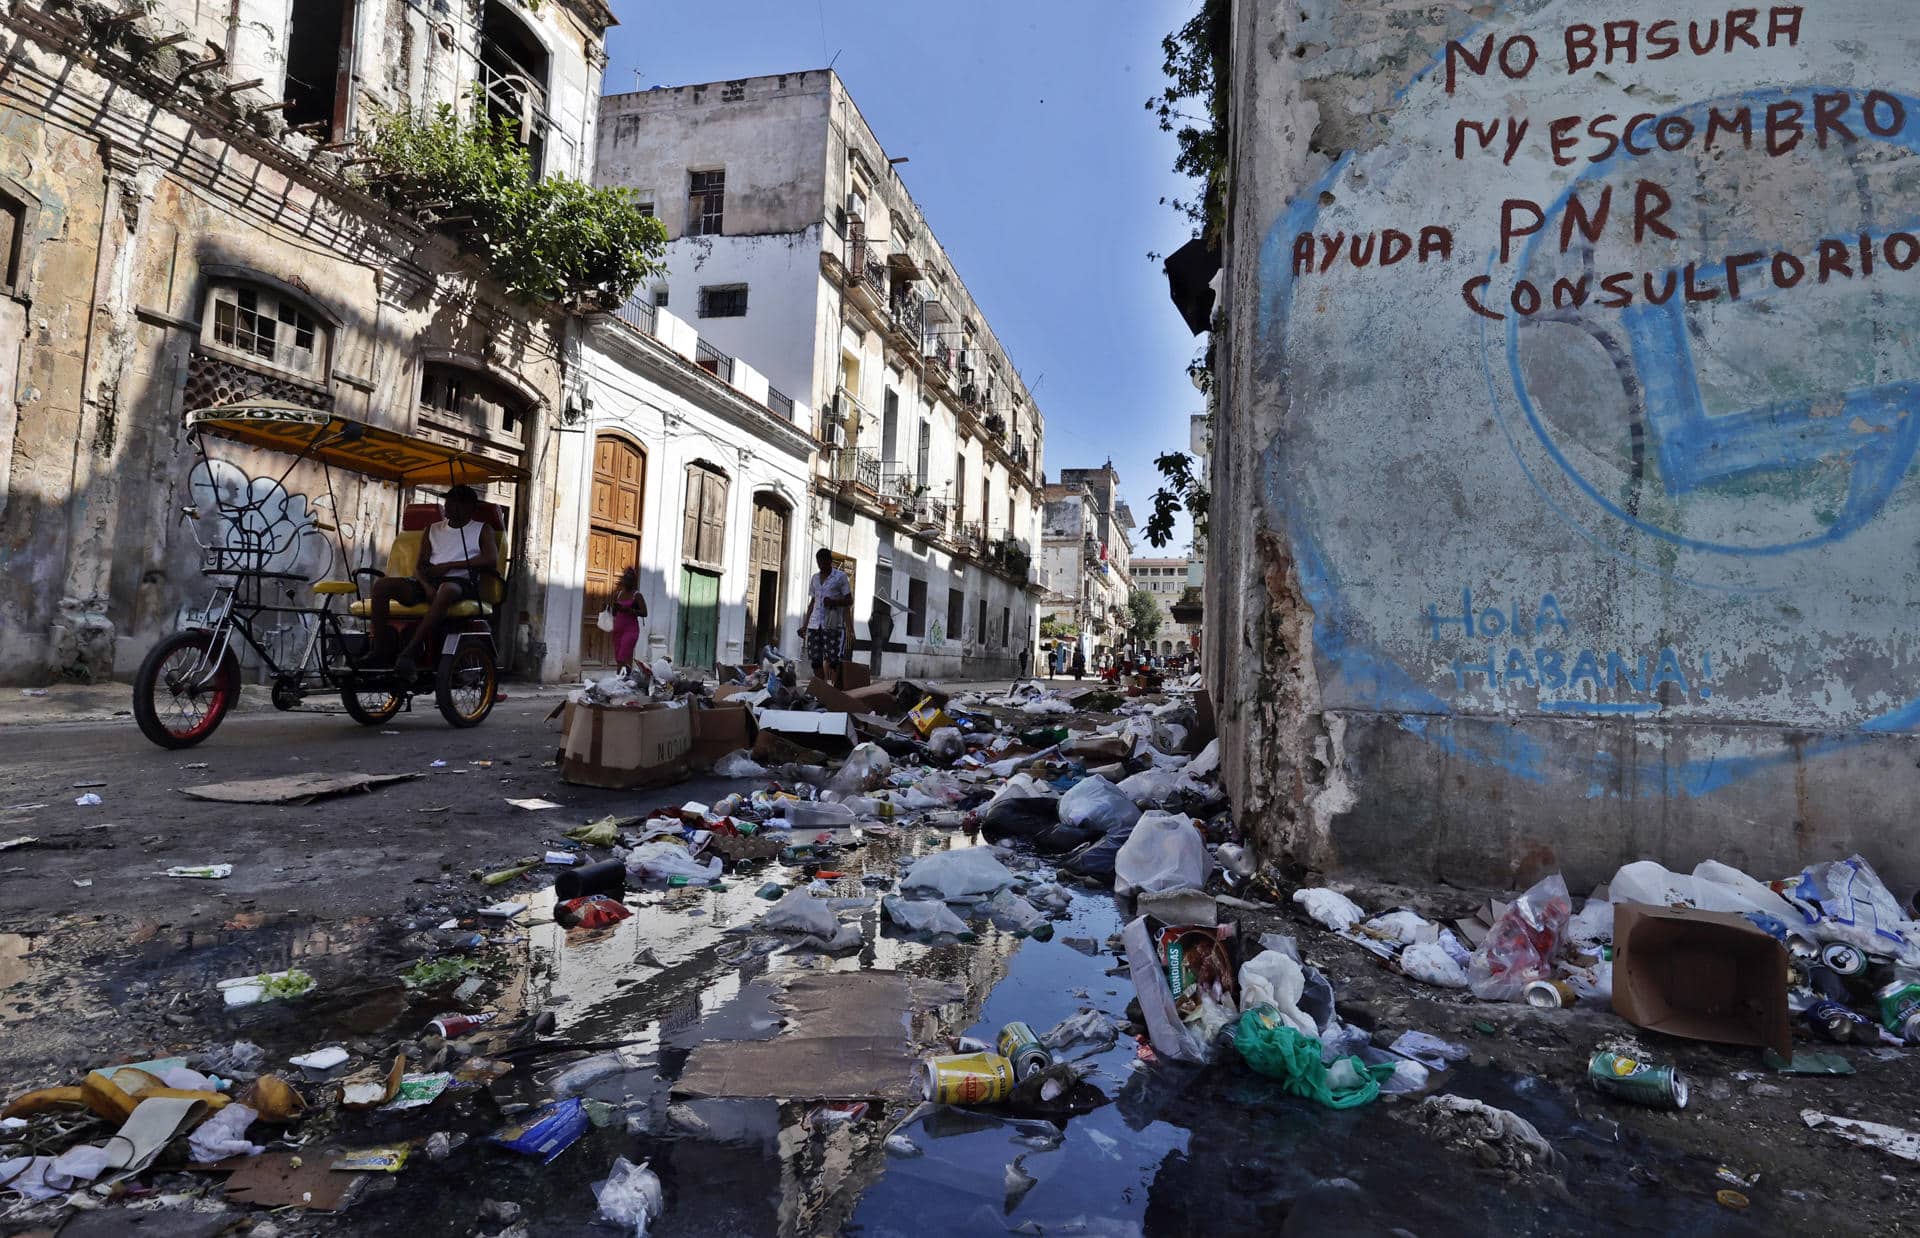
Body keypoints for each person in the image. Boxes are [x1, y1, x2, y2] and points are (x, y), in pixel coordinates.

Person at [370, 484, 498, 677]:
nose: (448, 505)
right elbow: (419, 566)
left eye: (455, 502)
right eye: (448, 501)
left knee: (447, 589)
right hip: (429, 581)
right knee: (382, 586)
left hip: (461, 582)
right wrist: (426, 585)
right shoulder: (433, 529)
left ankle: (410, 652)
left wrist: (450, 565)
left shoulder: (482, 529)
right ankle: (381, 649)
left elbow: (490, 559)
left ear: (469, 507)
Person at [801, 548, 853, 688]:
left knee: (833, 659)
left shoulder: (840, 577)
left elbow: (849, 601)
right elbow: (813, 602)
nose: (821, 566)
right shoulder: (815, 578)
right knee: (815, 660)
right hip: (814, 625)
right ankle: (823, 688)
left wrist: (834, 602)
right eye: (819, 563)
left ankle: (834, 688)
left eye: (824, 563)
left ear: (830, 561)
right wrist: (805, 626)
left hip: (832, 625)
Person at [609, 565, 648, 680]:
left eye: (630, 580)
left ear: (633, 581)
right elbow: (615, 613)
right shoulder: (619, 594)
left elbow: (644, 612)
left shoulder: (637, 595)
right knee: (618, 657)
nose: (627, 582)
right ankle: (627, 678)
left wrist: (630, 610)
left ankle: (618, 680)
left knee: (622, 656)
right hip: (618, 629)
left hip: (631, 630)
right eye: (626, 579)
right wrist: (613, 608)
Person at [867, 592, 894, 679]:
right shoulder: (887, 617)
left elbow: (869, 623)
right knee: (879, 654)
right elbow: (891, 626)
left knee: (875, 654)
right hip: (883, 637)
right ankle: (877, 672)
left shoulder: (875, 615)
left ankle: (874, 672)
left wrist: (872, 633)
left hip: (876, 637)